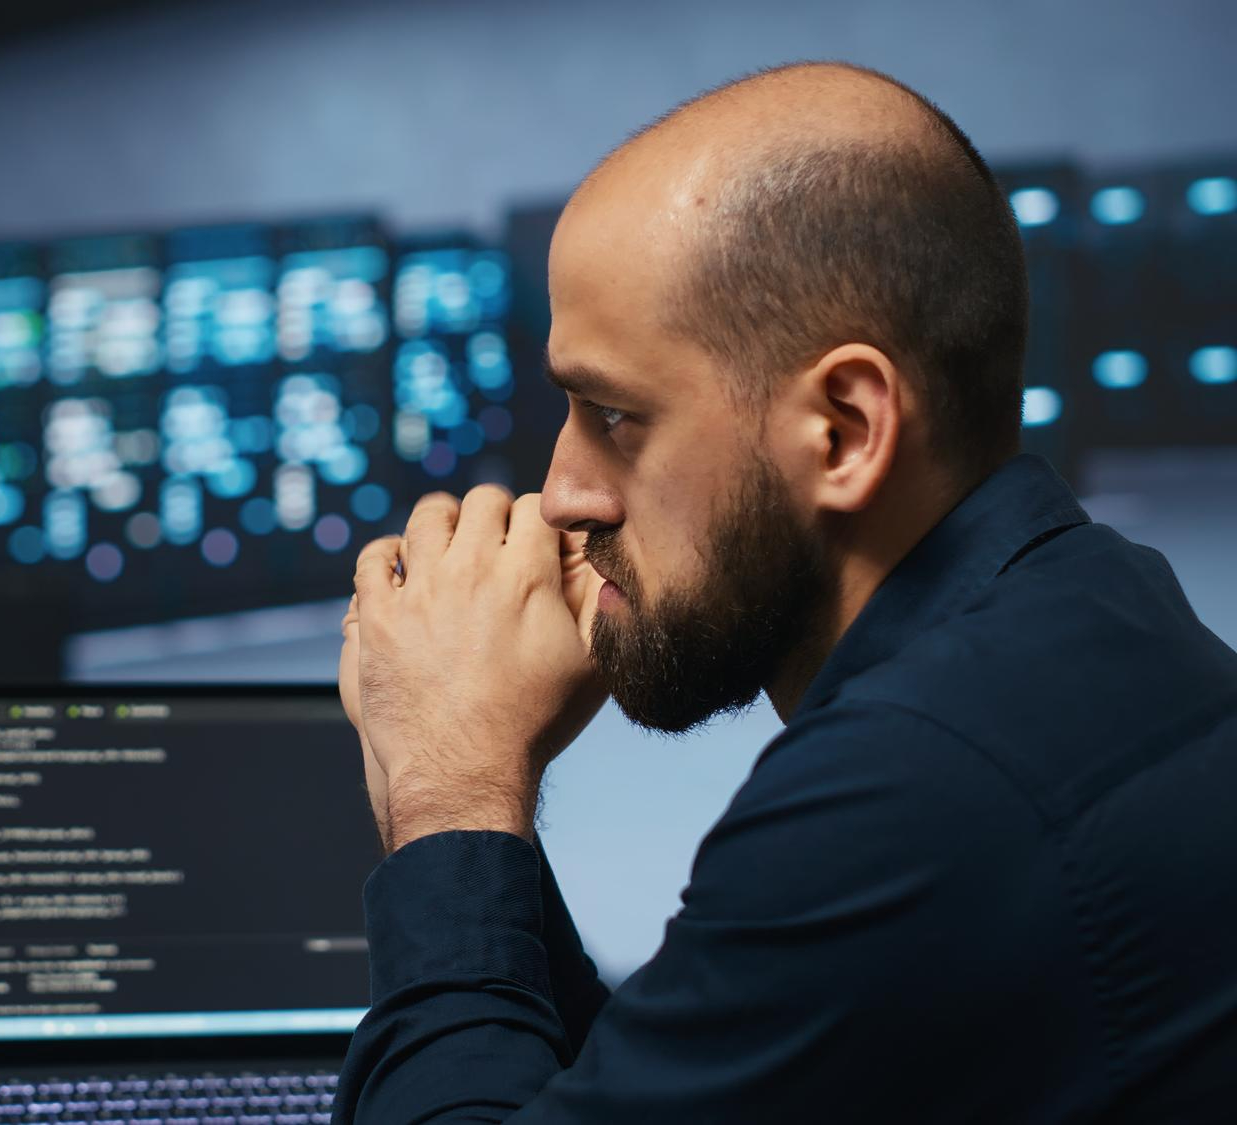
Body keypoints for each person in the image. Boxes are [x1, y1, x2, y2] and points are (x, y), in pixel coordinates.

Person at [335, 61, 1237, 1122]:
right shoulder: (1098, 606)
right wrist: (475, 786)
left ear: (843, 431)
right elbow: (667, 1082)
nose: (563, 493)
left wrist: (448, 789)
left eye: (614, 415)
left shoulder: (908, 797)